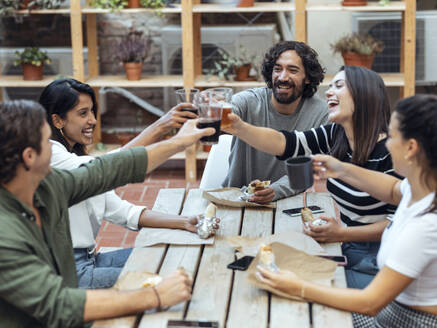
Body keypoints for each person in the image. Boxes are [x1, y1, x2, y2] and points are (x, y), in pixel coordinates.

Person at [0, 99, 215, 327]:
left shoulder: (45, 186)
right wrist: (155, 296)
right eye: (47, 142)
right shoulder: (5, 234)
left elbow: (104, 171)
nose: (54, 148)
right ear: (29, 157)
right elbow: (59, 305)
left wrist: (179, 142)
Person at [256, 94, 437, 327]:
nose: (387, 142)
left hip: (404, 322)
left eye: (392, 136)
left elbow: (369, 303)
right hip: (389, 313)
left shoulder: (426, 225)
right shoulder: (421, 188)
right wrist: (340, 169)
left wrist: (297, 286)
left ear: (411, 147)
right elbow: (392, 189)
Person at [223, 66, 396, 289]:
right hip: (348, 247)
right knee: (272, 272)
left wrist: (342, 233)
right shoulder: (337, 134)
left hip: (381, 260)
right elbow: (283, 143)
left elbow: (398, 225)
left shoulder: (391, 153)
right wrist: (239, 127)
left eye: (339, 86)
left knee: (299, 291)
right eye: (331, 86)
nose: (329, 92)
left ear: (364, 93)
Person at [38, 78, 217, 289]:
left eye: (92, 111)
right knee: (166, 281)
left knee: (169, 258)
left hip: (89, 260)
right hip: (70, 274)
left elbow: (124, 212)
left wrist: (184, 221)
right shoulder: (50, 155)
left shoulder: (74, 159)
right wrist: (161, 127)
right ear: (57, 121)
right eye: (83, 113)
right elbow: (109, 167)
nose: (93, 120)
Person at [222, 41, 329, 204]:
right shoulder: (249, 100)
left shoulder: (321, 113)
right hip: (236, 200)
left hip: (287, 203)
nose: (283, 77)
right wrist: (217, 108)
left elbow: (310, 169)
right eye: (277, 69)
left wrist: (275, 190)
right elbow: (231, 108)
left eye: (292, 70)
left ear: (307, 77)